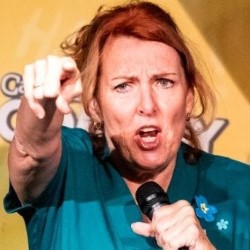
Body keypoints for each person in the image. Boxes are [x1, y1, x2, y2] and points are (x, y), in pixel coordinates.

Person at [4, 1, 250, 249]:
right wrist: (41, 106)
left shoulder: (241, 189)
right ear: (94, 104)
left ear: (189, 97)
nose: (147, 104)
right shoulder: (68, 167)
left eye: (164, 82)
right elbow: (31, 152)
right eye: (123, 86)